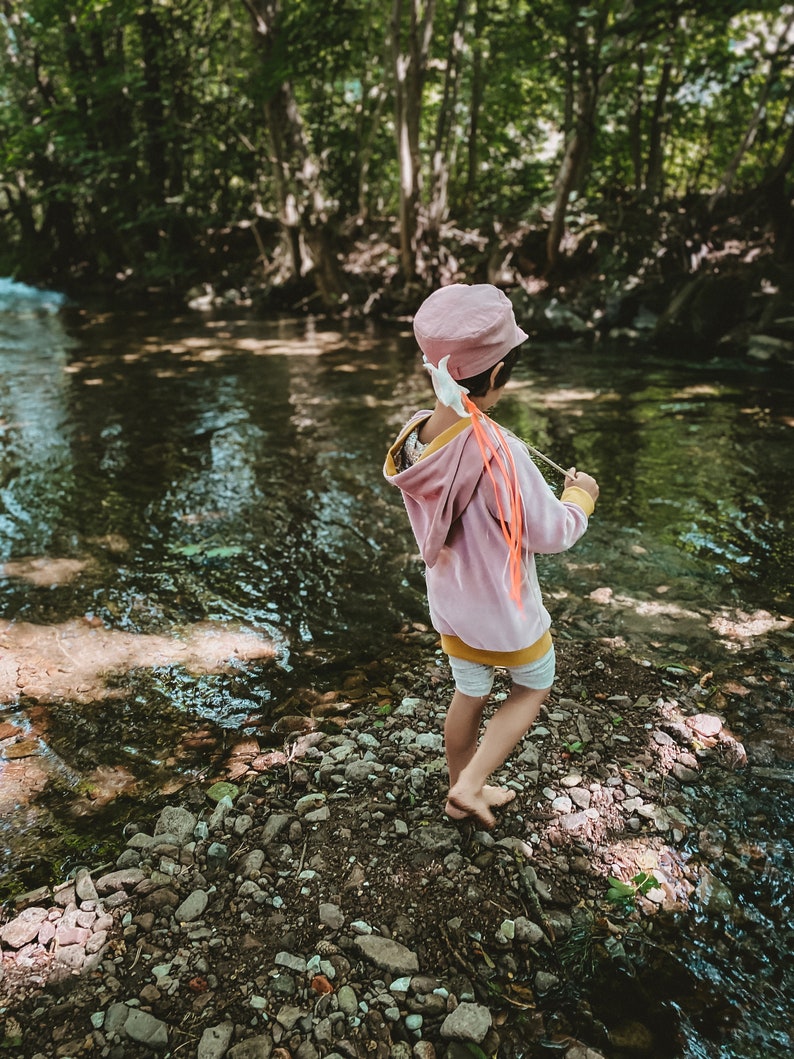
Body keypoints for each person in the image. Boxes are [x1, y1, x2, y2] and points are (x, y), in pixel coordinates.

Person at [383, 283, 599, 829]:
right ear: (498, 375)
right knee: (534, 683)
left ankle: (462, 786)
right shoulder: (504, 452)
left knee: (470, 691)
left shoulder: (414, 439)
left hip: (452, 607)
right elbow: (552, 533)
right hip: (504, 613)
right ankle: (471, 787)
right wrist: (580, 497)